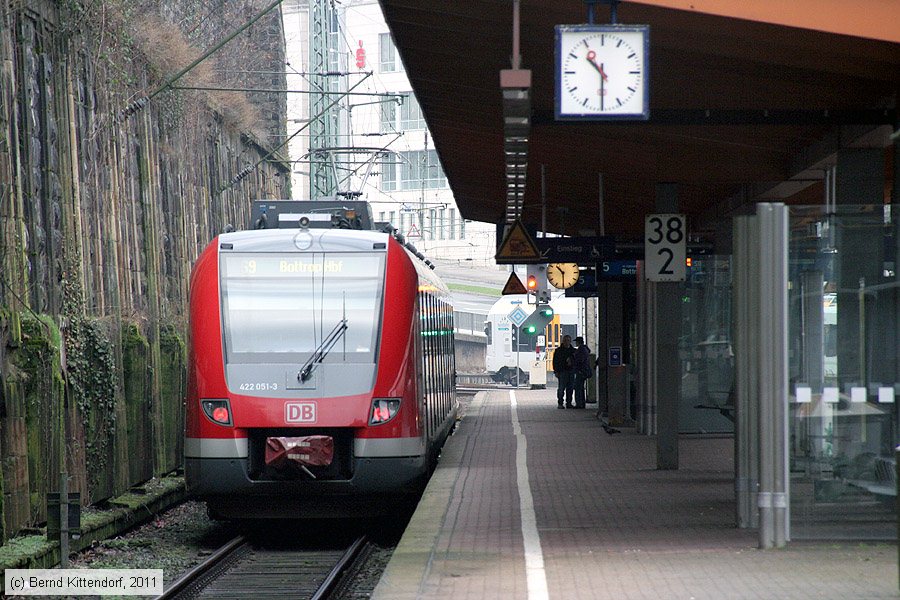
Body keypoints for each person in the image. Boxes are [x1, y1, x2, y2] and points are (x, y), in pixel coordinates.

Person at [552, 335, 575, 409]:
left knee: (570, 388)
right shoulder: (558, 351)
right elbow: (555, 362)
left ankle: (569, 403)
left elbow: (576, 361)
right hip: (562, 372)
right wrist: (556, 371)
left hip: (571, 371)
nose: (566, 342)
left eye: (568, 340)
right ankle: (560, 403)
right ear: (563, 341)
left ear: (570, 341)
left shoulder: (573, 351)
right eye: (565, 340)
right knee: (561, 388)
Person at [572, 336, 592, 409]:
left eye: (576, 342)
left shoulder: (581, 350)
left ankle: (579, 404)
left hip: (581, 371)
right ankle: (581, 403)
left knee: (578, 387)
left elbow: (580, 360)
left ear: (578, 342)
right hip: (584, 370)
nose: (576, 343)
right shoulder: (585, 349)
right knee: (580, 388)